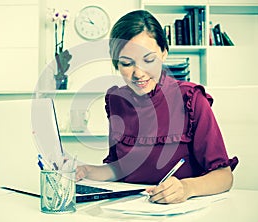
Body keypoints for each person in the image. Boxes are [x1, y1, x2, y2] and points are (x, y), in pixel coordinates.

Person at [76, 10, 238, 204]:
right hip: (129, 208)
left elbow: (224, 176)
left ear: (164, 53)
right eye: (127, 63)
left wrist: (187, 188)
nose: (138, 73)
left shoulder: (191, 99)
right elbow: (119, 168)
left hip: (181, 209)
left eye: (149, 60)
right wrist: (85, 170)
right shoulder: (116, 101)